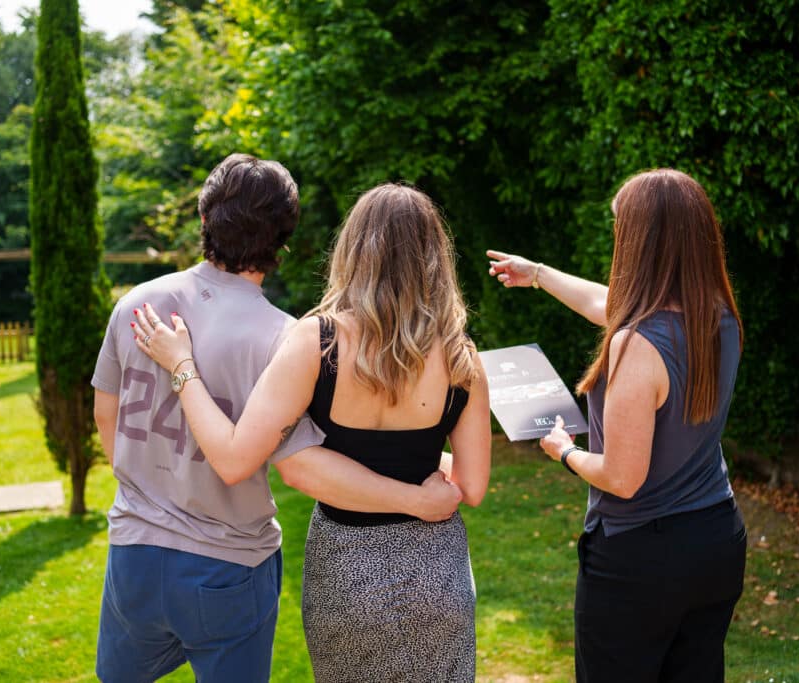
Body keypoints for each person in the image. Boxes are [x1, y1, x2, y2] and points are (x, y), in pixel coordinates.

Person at [91, 155, 463, 683]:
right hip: (227, 564)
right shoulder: (284, 337)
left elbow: (106, 411)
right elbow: (301, 460)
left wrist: (148, 492)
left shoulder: (136, 303)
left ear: (204, 220)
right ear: (283, 239)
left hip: (132, 553)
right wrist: (414, 489)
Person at [487, 168, 747, 683]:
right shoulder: (719, 319)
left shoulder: (638, 343)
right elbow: (606, 304)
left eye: (620, 228)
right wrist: (537, 273)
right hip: (716, 539)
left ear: (644, 241)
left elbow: (623, 477)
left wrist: (564, 450)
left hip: (641, 558)